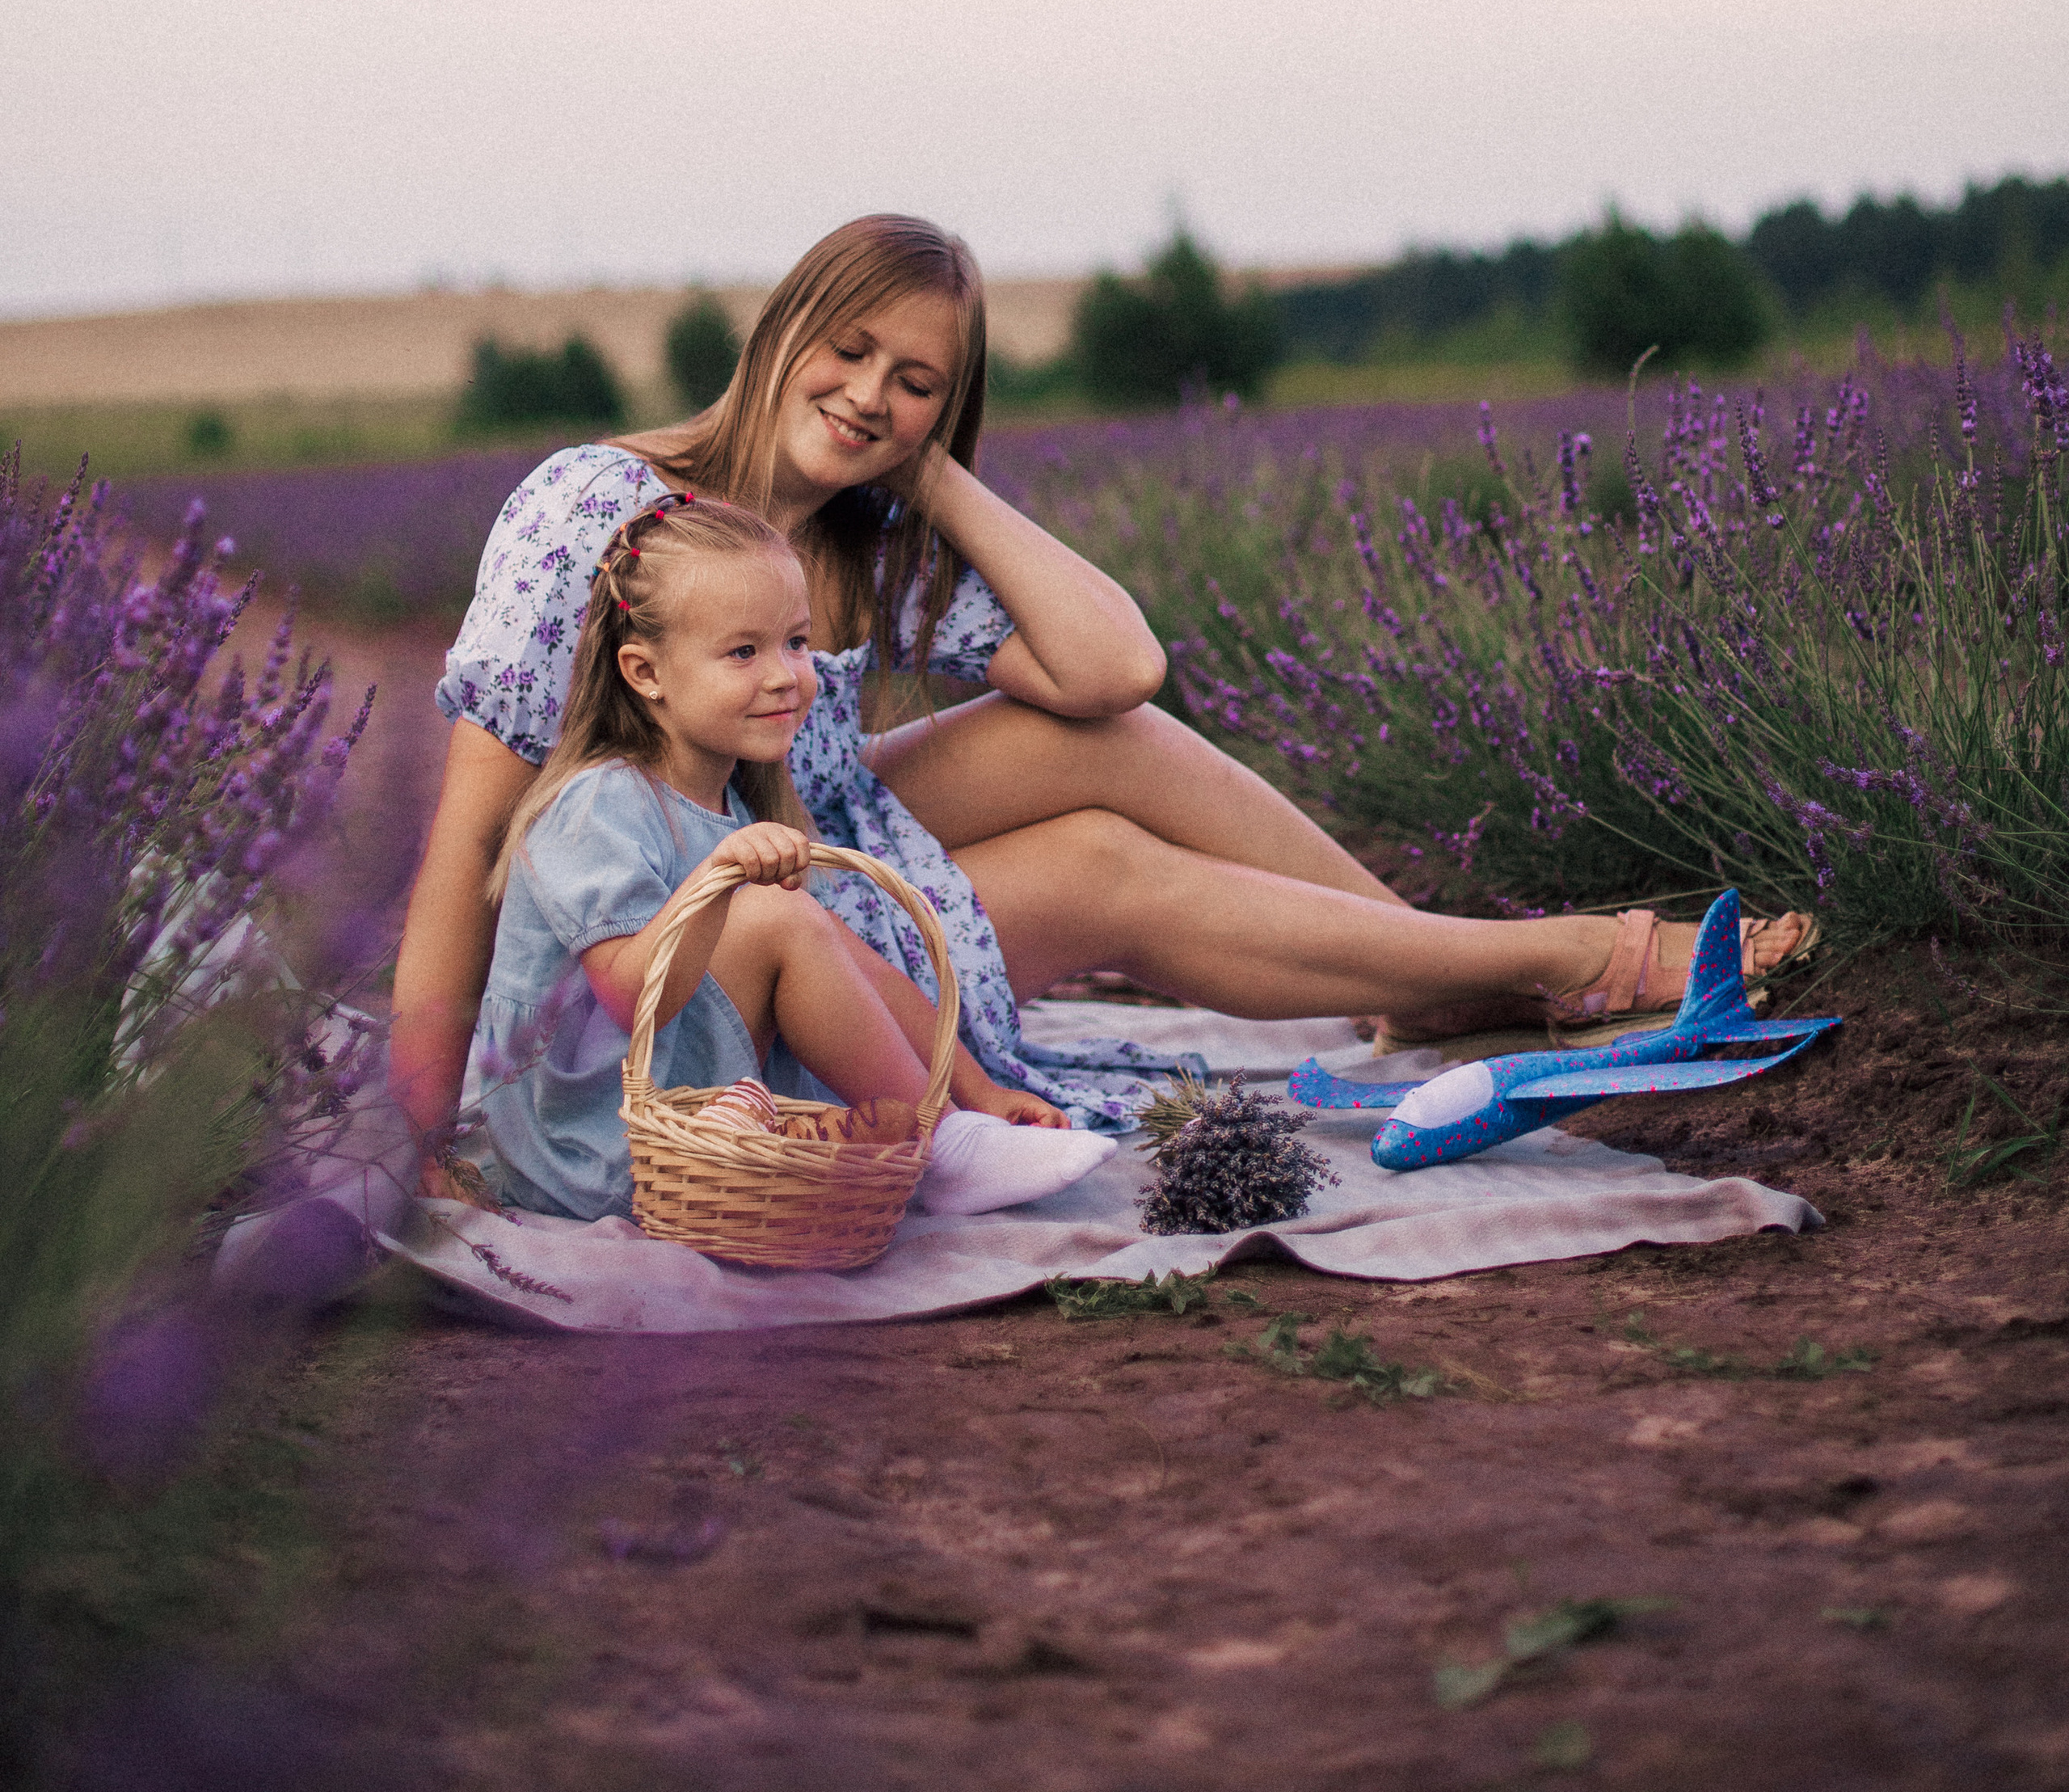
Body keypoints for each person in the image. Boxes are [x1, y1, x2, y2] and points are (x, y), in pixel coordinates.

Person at [393, 213, 1812, 1168]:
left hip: (814, 848)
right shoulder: (596, 505)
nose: (870, 393)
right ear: (781, 331)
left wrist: (929, 472)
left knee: (1104, 740)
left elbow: (1115, 670)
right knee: (1104, 867)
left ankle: (1424, 969)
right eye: (849, 353)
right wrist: (423, 1131)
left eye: (918, 381)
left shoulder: (864, 539)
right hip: (713, 937)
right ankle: (1551, 960)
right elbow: (471, 844)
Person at [474, 488, 1110, 1221]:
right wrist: (718, 881)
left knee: (809, 924)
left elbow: (851, 958)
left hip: (698, 1112)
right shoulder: (596, 805)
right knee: (780, 916)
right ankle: (939, 1154)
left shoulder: (732, 798)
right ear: (646, 673)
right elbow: (628, 995)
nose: (785, 675)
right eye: (744, 651)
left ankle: (947, 1118)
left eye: (797, 643)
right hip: (592, 1140)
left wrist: (974, 1086)